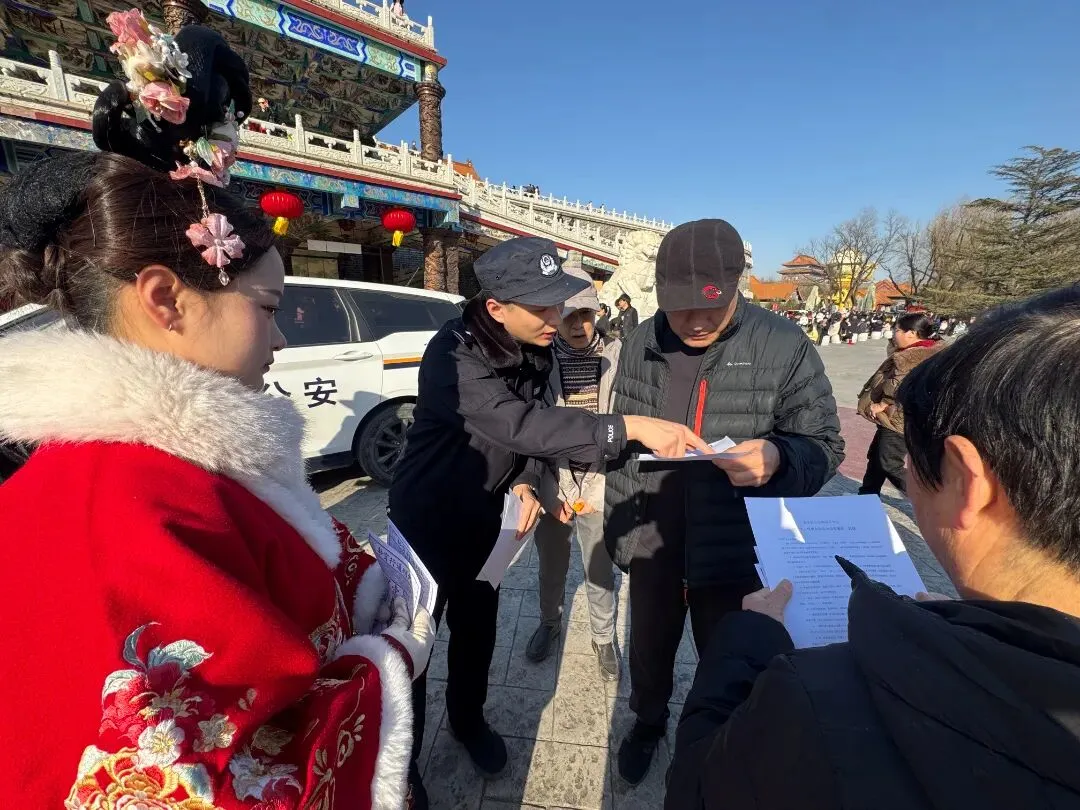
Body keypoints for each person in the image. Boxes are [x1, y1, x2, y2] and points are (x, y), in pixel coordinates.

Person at [0, 12, 431, 808]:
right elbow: (213, 781)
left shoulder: (167, 461)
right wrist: (390, 661)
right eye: (266, 308)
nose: (279, 339)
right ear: (166, 299)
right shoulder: (128, 508)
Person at [665, 284, 1080, 810]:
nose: (903, 465)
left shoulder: (818, 701)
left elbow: (696, 786)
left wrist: (748, 643)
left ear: (965, 482)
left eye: (915, 453)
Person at [388, 236, 711, 806]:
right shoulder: (453, 353)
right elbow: (517, 423)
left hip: (487, 516)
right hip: (427, 521)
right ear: (496, 307)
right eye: (542, 307)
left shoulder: (532, 346)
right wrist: (628, 427)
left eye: (558, 302)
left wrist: (523, 479)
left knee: (477, 628)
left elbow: (526, 438)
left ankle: (467, 720)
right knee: (412, 648)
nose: (555, 318)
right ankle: (400, 763)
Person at [605, 218, 844, 785]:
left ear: (737, 283)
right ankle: (647, 721)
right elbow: (623, 438)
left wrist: (780, 456)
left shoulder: (783, 345)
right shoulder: (641, 341)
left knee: (732, 662)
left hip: (735, 553)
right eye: (679, 307)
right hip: (653, 542)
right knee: (649, 652)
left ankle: (726, 743)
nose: (694, 321)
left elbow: (826, 444)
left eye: (709, 305)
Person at [527, 258, 621, 680]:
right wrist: (548, 489)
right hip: (554, 483)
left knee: (599, 569)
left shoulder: (618, 357)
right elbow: (529, 430)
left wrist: (604, 483)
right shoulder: (538, 360)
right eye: (567, 314)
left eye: (586, 313)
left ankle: (603, 637)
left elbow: (627, 421)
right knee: (551, 565)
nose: (578, 324)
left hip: (602, 479)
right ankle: (549, 622)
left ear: (597, 312)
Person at [856, 312, 942, 496]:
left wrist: (883, 404)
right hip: (896, 417)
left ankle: (927, 498)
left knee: (889, 463)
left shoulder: (913, 358)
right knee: (877, 459)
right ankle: (866, 497)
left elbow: (900, 387)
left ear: (911, 333)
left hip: (900, 419)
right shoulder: (921, 351)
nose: (893, 334)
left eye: (897, 330)